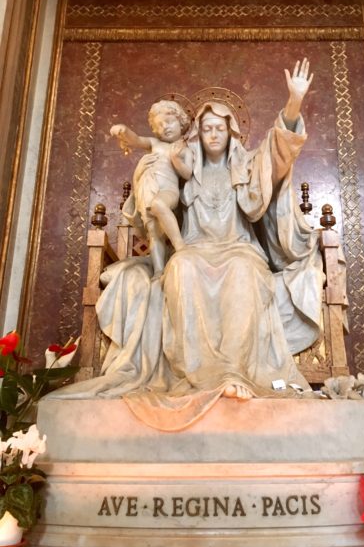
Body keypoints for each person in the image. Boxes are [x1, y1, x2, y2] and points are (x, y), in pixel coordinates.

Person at [50, 59, 326, 431]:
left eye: (220, 128)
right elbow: (153, 187)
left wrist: (294, 102)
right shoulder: (183, 168)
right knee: (181, 269)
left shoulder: (246, 166)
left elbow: (278, 154)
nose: (213, 134)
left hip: (239, 248)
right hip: (193, 249)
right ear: (198, 133)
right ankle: (194, 376)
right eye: (207, 128)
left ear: (231, 133)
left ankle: (234, 373)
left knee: (243, 273)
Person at [110, 100, 194, 275]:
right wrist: (123, 131)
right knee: (154, 234)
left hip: (168, 190)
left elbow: (188, 174)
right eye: (160, 125)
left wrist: (176, 160)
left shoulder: (184, 149)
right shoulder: (154, 143)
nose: (165, 127)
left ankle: (180, 246)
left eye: (169, 122)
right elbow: (136, 139)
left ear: (181, 122)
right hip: (146, 190)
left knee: (159, 205)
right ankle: (158, 272)